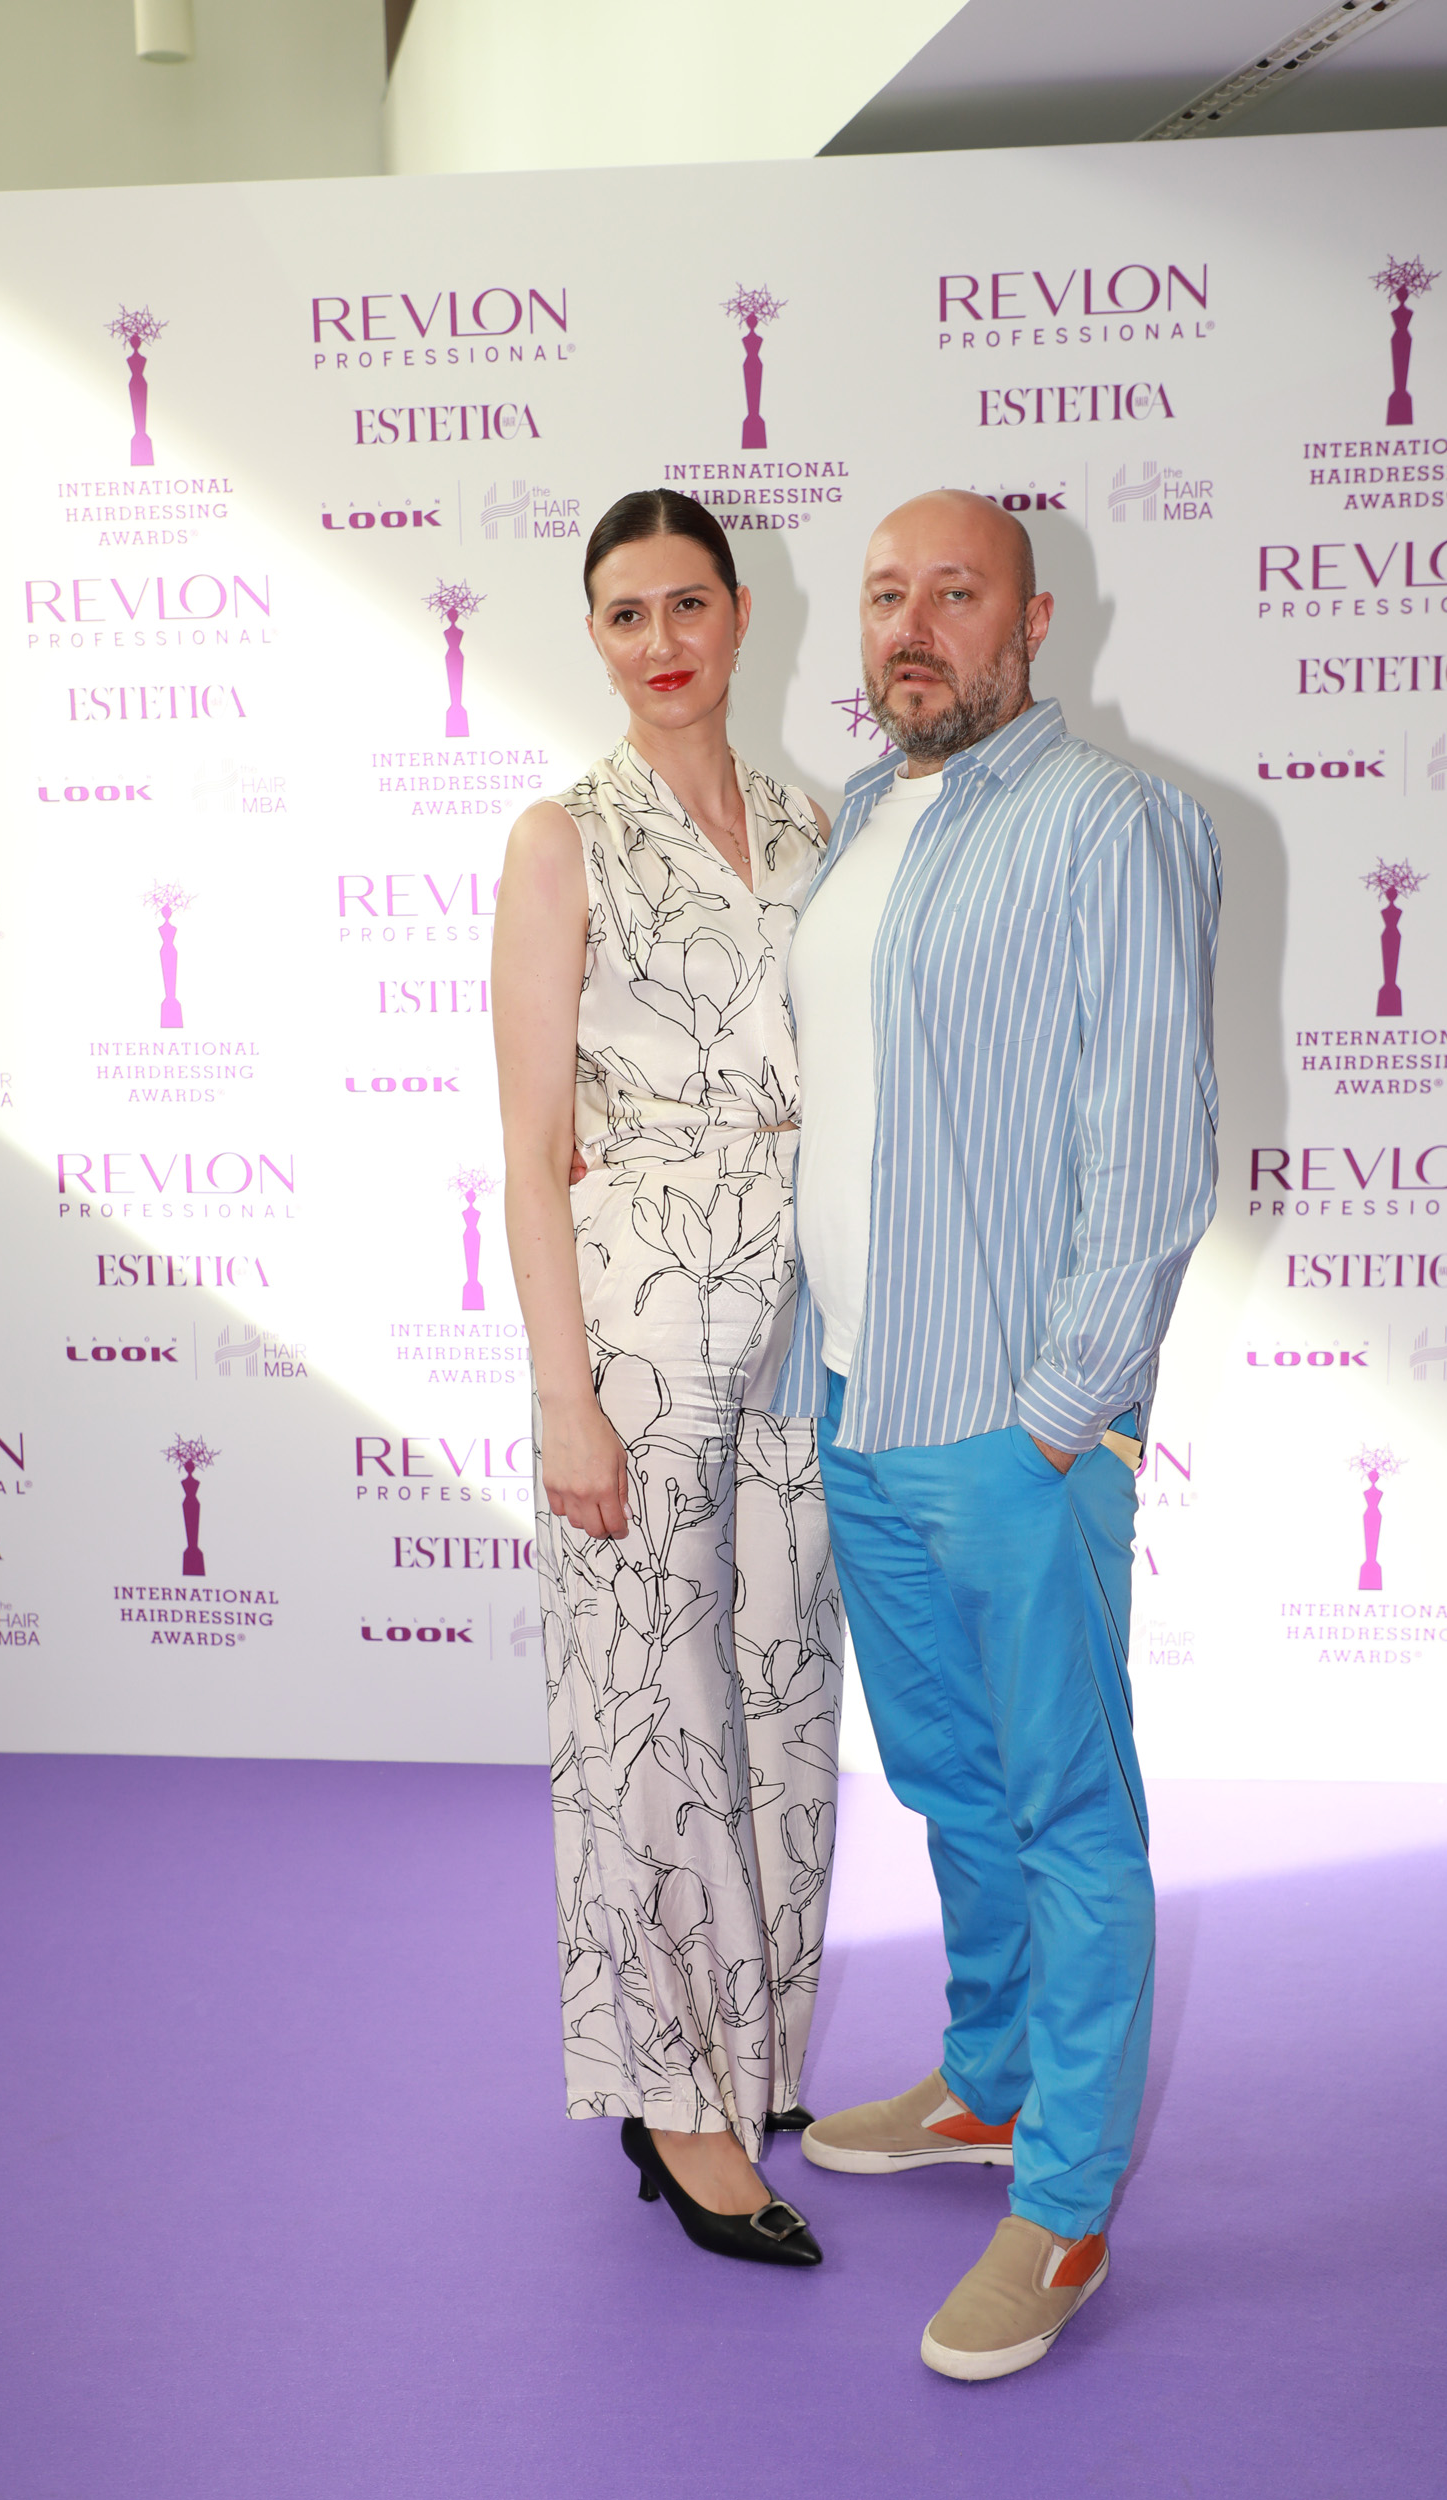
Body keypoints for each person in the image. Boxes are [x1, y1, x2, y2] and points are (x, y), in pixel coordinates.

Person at [782, 489, 1221, 2373]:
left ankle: (1065, 2207)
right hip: (863, 1400)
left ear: (1033, 624)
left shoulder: (1112, 822)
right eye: (888, 594)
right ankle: (987, 2080)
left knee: (1065, 1810)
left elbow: (1156, 1143)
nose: (913, 624)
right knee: (952, 1783)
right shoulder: (863, 818)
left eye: (955, 593)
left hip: (1015, 1425)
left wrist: (1066, 1410)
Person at [492, 488, 843, 2269]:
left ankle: (750, 2054)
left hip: (803, 1327)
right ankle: (675, 2103)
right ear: (596, 637)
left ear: (739, 614)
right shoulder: (563, 839)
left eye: (687, 603)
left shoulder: (812, 822)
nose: (661, 641)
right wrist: (567, 1398)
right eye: (624, 614)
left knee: (780, 1696)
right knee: (651, 1718)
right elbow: (529, 1147)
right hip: (635, 1329)